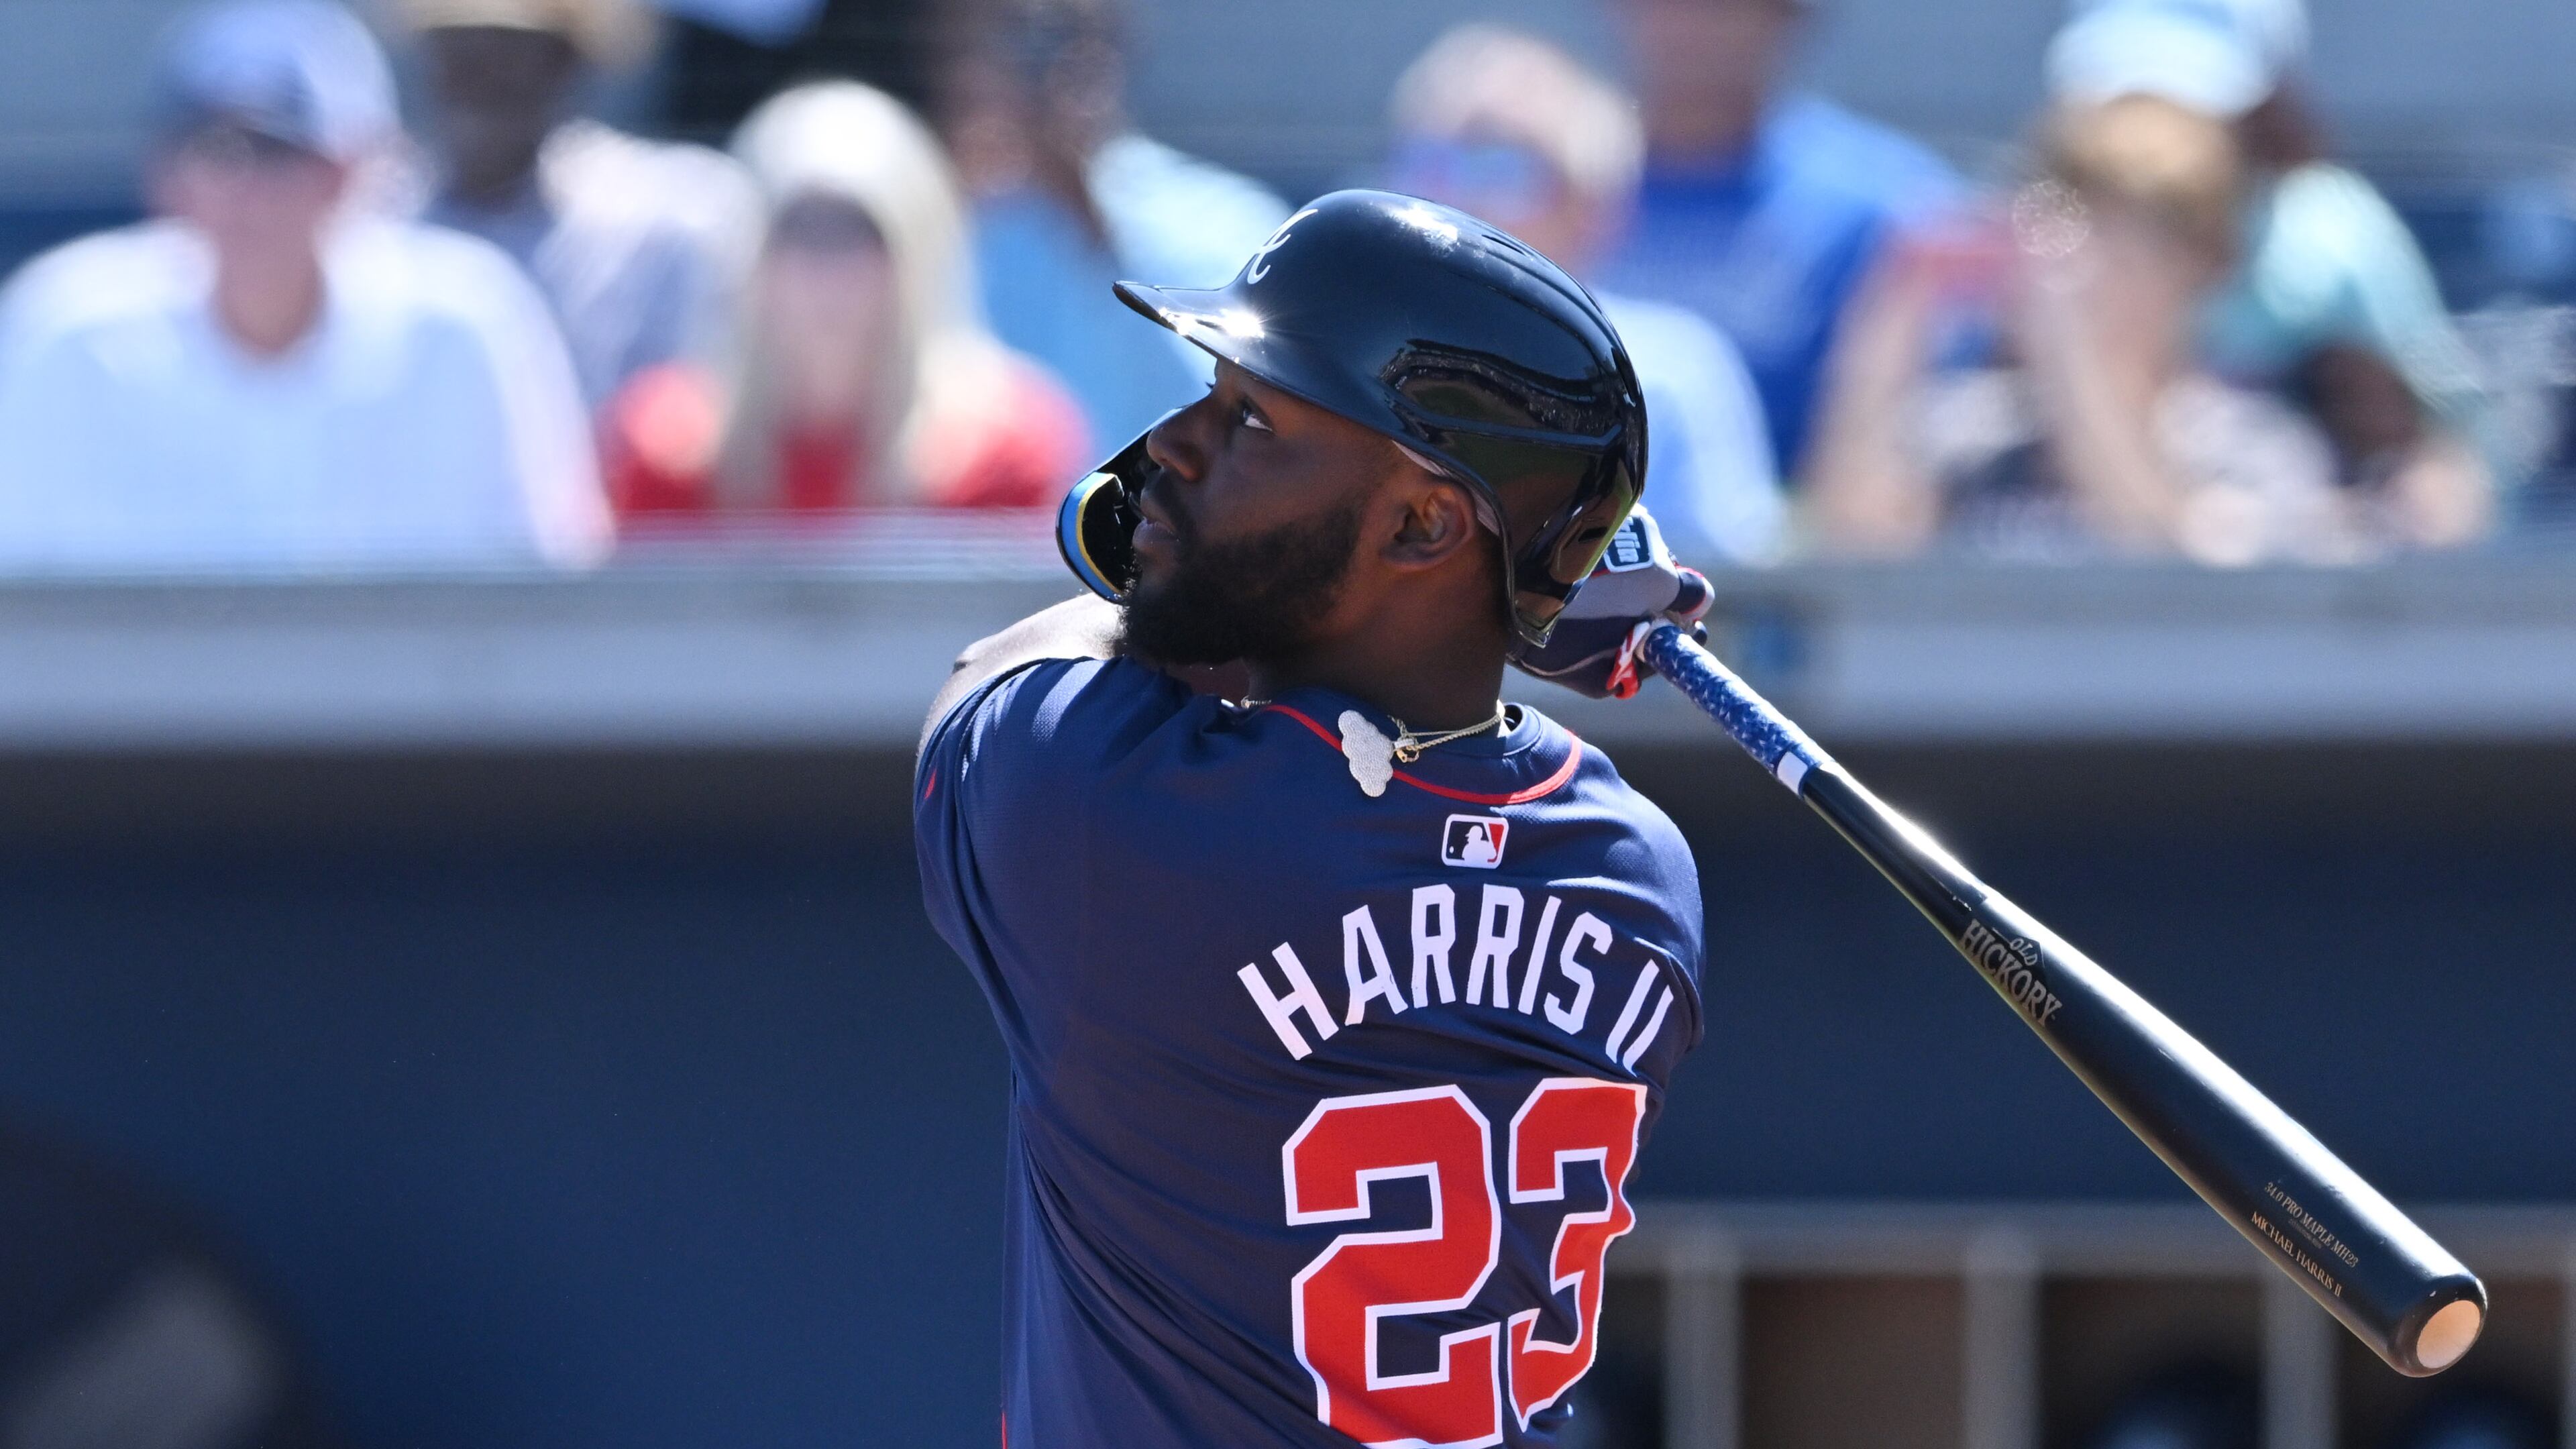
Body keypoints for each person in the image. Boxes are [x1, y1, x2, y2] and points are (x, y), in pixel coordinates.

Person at [917, 191, 1710, 1445]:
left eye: (1251, 422)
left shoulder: (1099, 815)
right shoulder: (1637, 874)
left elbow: (995, 676)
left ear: (1423, 522)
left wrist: (1133, 541)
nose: (1171, 443)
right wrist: (1519, 597)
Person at [0, 0, 606, 574]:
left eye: (281, 151)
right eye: (214, 149)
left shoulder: (470, 320)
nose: (243, 188)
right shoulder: (66, 328)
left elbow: (551, 589)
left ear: (355, 172)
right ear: (165, 175)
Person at [1805, 96, 2351, 564]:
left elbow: (2179, 575)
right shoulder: (1972, 431)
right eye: (2063, 239)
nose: (2071, 274)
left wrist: (2069, 358)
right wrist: (1896, 319)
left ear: (2201, 268)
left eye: (2117, 252)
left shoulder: (2255, 444)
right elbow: (1856, 548)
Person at [2047, 0, 2496, 542]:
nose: (2152, 126)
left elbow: (2437, 475)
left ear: (2267, 99)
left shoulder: (2334, 237)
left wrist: (2353, 524)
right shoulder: (2047, 231)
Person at [1387, 23, 1786, 566]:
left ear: (1593, 209)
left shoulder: (1673, 377)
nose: (1450, 191)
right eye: (1429, 159)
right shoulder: (1344, 354)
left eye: (1498, 164)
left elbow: (1720, 598)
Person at [600, 81, 1089, 521]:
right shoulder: (663, 449)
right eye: (803, 228)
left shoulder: (1007, 450)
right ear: (750, 254)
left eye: (860, 231)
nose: (830, 266)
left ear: (917, 248)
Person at [1596, 0, 1961, 480]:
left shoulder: (1891, 202)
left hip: (1797, 540)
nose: (1684, 27)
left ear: (1788, 18)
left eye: (1718, 9)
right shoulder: (1549, 181)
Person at [936, 0, 1291, 451]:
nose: (1044, 68)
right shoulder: (964, 234)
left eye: (1062, 34)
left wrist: (1088, 209)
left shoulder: (1230, 218)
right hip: (1016, 519)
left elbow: (1241, 414)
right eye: (1015, 38)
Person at [400, 0, 760, 413]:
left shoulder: (657, 223)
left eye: (509, 52)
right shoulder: (370, 225)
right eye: (459, 52)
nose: (481, 79)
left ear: (567, 64)